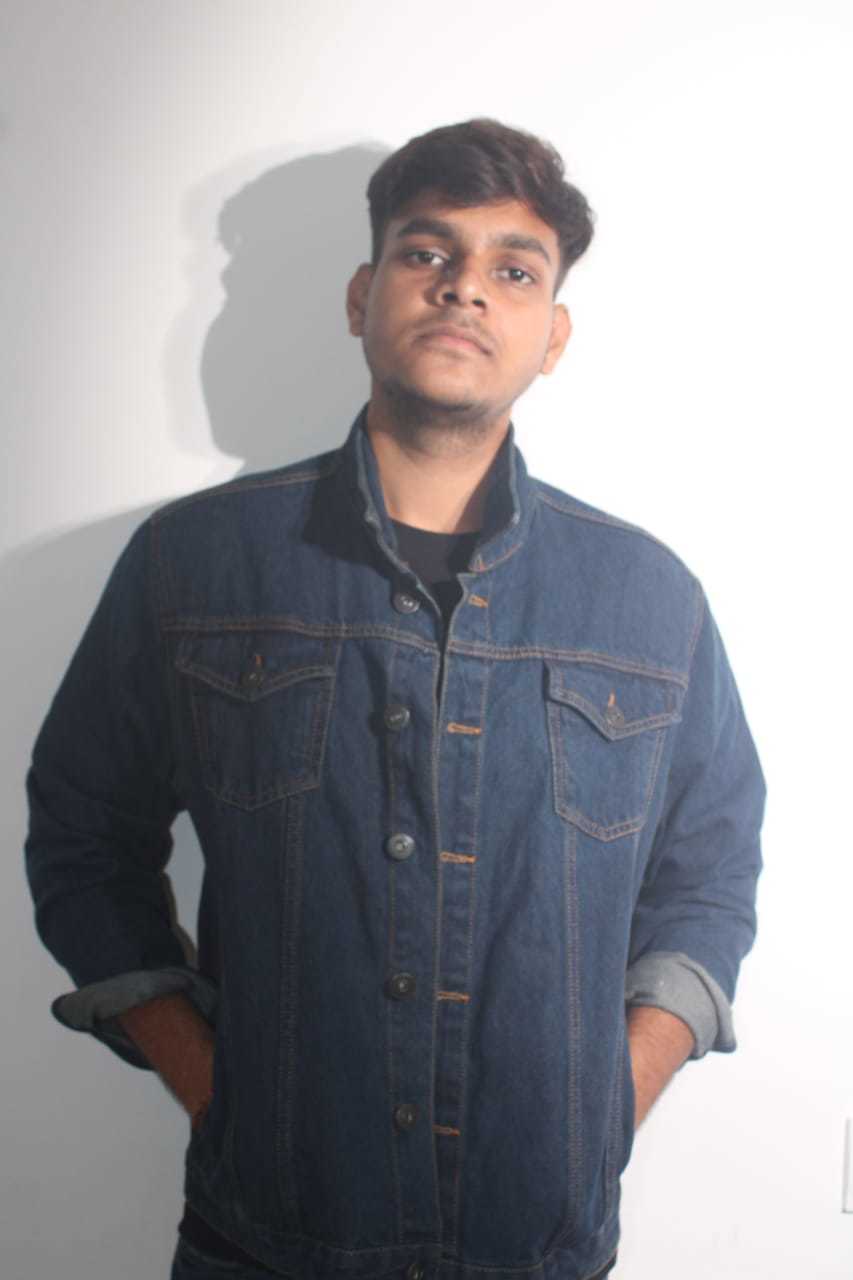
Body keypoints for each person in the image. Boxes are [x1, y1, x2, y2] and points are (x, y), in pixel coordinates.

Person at [25, 119, 765, 1280]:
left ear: (553, 334)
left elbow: (709, 873)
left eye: (512, 269)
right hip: (261, 1240)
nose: (464, 286)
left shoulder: (647, 599)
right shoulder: (195, 564)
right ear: (361, 295)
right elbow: (81, 833)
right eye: (428, 253)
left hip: (538, 1246)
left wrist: (608, 1099)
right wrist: (212, 1081)